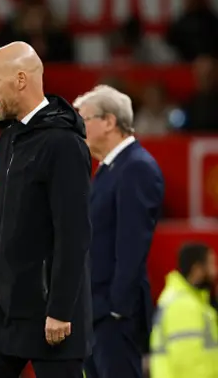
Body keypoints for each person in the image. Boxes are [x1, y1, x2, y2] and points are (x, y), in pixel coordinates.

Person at [0, 42, 93, 378]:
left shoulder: (64, 144)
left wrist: (62, 309)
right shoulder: (9, 139)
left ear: (20, 79)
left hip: (51, 313)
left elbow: (74, 233)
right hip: (7, 310)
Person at [73, 85, 165, 378]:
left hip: (114, 315)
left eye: (84, 119)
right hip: (96, 311)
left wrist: (117, 308)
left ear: (110, 122)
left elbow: (132, 243)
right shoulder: (110, 169)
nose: (79, 128)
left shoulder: (136, 167)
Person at [150, 242, 218, 377]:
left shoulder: (192, 302)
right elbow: (188, 365)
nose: (215, 271)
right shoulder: (184, 306)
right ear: (197, 269)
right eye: (211, 264)